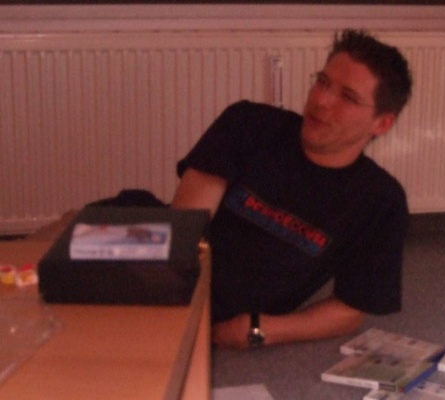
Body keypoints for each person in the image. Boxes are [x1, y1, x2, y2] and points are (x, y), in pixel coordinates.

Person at [171, 29, 413, 349]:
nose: (321, 101)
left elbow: (351, 309)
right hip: (168, 281)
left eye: (348, 97)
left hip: (228, 322)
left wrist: (260, 329)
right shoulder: (247, 124)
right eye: (322, 82)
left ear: (381, 123)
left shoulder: (380, 201)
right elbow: (183, 233)